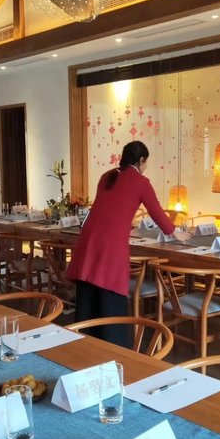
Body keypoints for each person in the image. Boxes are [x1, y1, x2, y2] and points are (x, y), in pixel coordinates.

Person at [66, 141, 191, 347]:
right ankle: (112, 346)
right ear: (141, 160)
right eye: (146, 162)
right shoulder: (141, 182)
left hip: (89, 239)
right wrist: (174, 232)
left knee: (89, 292)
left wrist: (126, 226)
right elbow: (156, 211)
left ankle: (86, 343)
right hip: (110, 245)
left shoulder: (107, 176)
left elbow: (108, 209)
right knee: (109, 293)